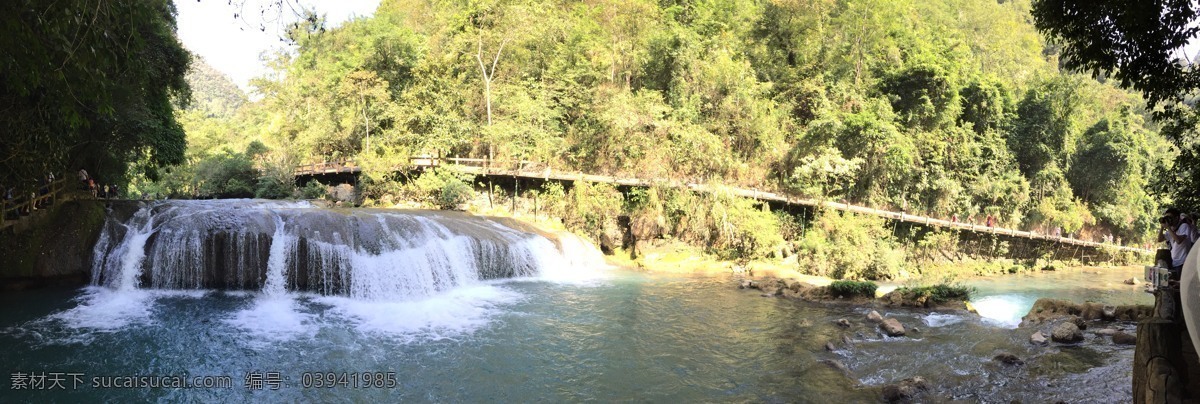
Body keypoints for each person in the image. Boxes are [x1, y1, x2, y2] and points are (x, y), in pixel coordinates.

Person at [1162, 207, 1193, 277]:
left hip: (1183, 262)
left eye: (1170, 217)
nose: (1168, 220)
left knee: (1179, 284)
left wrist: (1168, 228)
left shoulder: (1184, 226)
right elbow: (1159, 239)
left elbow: (1178, 240)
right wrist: (1162, 227)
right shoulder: (1171, 229)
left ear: (1176, 218)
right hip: (1174, 262)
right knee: (1173, 284)